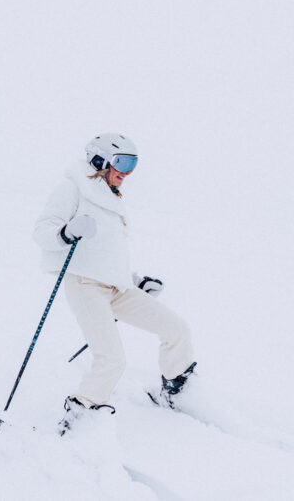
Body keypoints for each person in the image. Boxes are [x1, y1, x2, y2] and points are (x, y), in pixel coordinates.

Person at [33, 133, 196, 434]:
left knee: (177, 329)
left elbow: (106, 253)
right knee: (112, 359)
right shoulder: (71, 188)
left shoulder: (111, 197)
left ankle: (175, 391)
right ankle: (78, 419)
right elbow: (42, 232)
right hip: (85, 284)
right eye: (122, 163)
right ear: (99, 160)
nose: (127, 172)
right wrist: (67, 232)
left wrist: (134, 280)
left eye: (133, 165)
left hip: (117, 287)